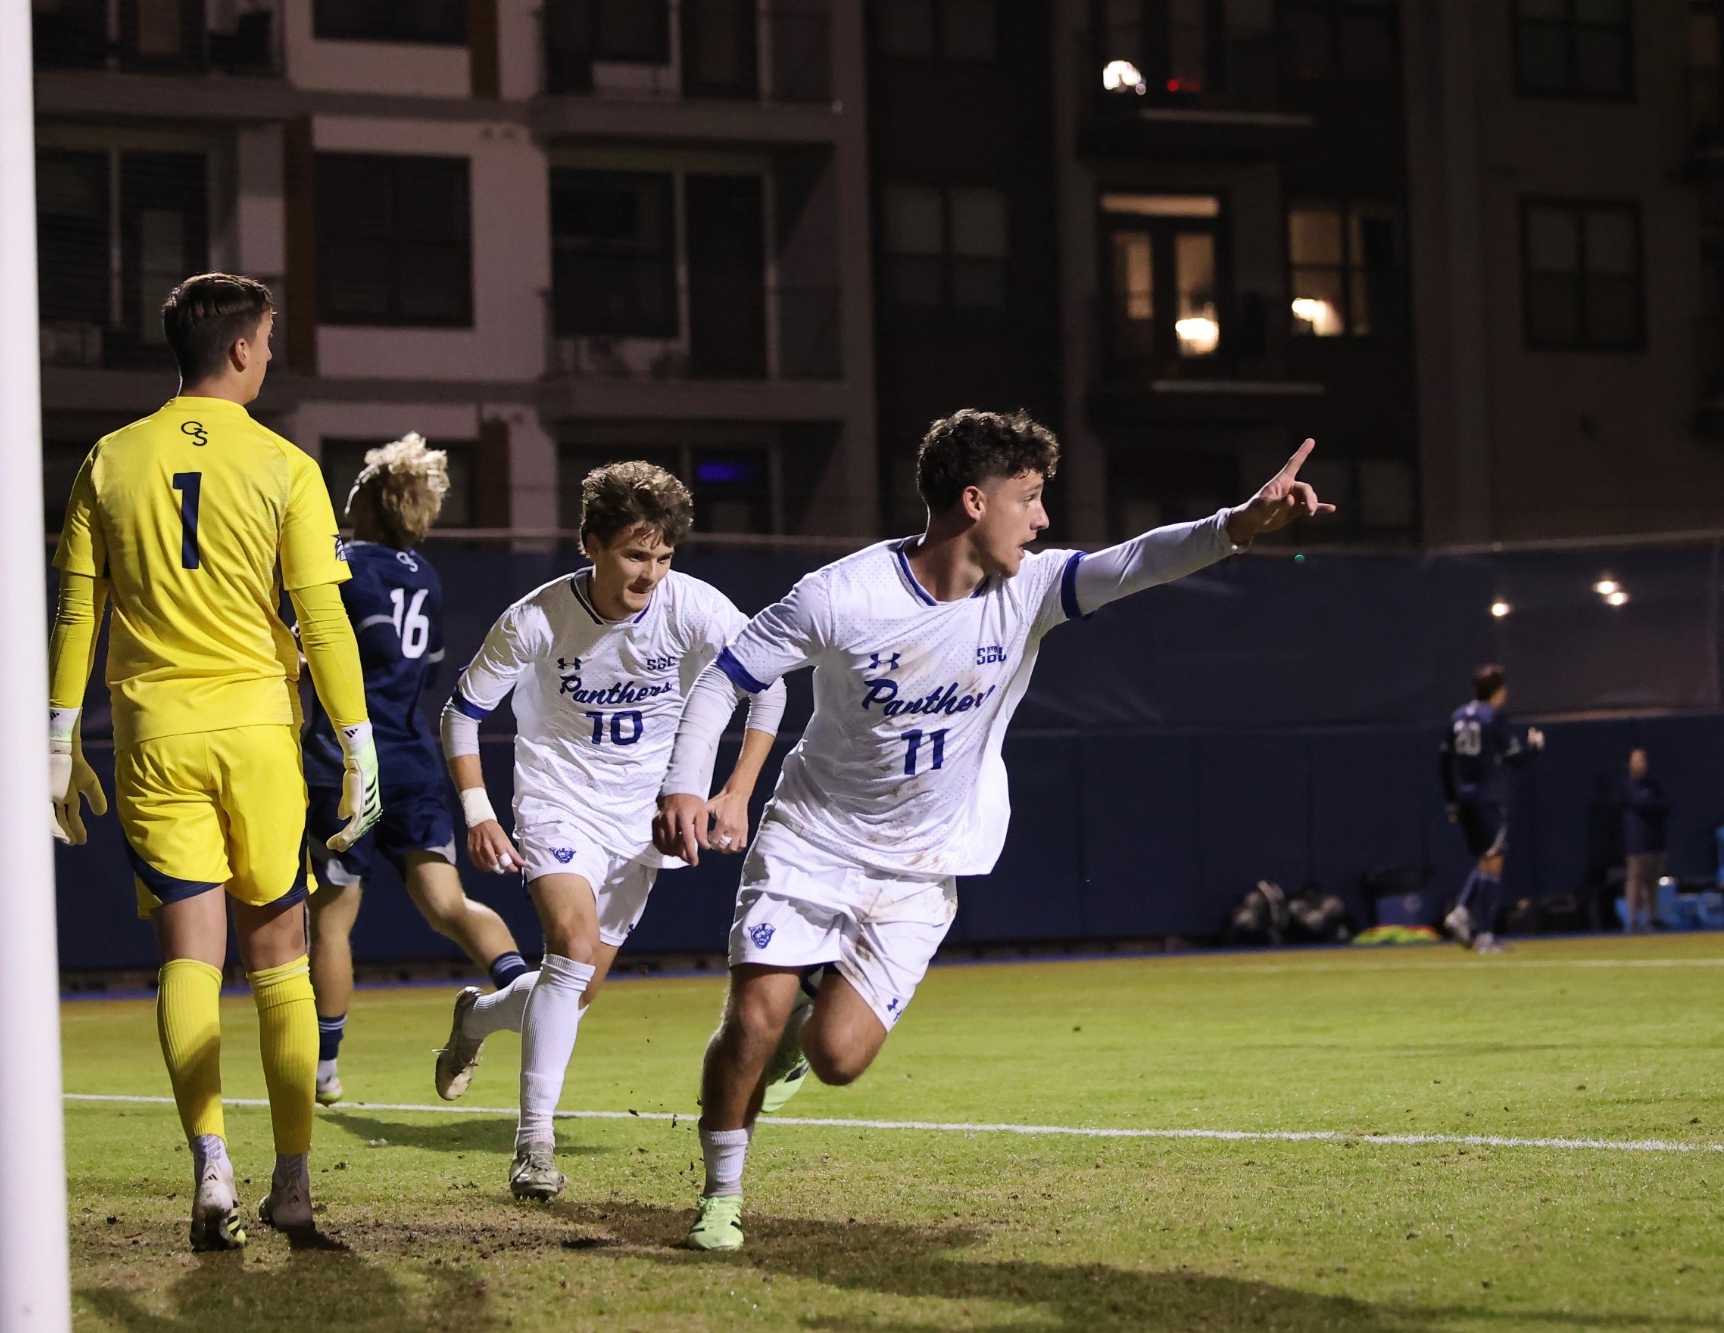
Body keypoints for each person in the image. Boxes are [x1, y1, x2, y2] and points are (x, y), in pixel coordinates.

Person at [654, 410, 1331, 1251]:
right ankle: (721, 1194)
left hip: (925, 864)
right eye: (1032, 497)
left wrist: (1237, 525)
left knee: (836, 1056)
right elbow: (725, 677)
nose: (1044, 518)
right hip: (813, 839)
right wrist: (689, 783)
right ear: (975, 501)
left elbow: (1139, 561)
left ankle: (802, 1035)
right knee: (752, 1019)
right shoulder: (841, 595)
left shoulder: (1032, 588)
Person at [45, 273, 380, 1250]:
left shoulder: (108, 459)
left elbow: (77, 612)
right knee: (278, 961)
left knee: (187, 958)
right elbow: (321, 616)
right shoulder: (284, 464)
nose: (269, 354)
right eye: (269, 339)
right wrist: (357, 743)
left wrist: (55, 740)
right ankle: (294, 1186)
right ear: (241, 348)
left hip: (151, 732)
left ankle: (209, 1168)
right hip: (257, 736)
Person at [432, 461, 786, 1201]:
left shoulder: (693, 606)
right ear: (590, 542)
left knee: (577, 987)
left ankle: (479, 1014)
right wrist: (480, 811)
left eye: (662, 556)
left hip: (643, 821)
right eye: (633, 553)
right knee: (571, 947)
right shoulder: (535, 618)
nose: (649, 572)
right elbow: (460, 714)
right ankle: (534, 1143)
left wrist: (735, 792)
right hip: (557, 800)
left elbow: (770, 686)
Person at [297, 435, 531, 1106]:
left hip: (346, 765)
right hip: (415, 762)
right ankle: (523, 991)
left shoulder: (340, 564)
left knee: (334, 920)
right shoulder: (423, 575)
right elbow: (420, 668)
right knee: (448, 904)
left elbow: (303, 656)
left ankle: (325, 1068)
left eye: (353, 486)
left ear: (369, 502)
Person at [1438, 664, 1544, 954]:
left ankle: (1461, 912)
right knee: (1494, 862)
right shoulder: (1493, 717)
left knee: (1487, 860)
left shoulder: (1458, 716)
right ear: (1498, 690)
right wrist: (1534, 747)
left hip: (1465, 797)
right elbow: (1516, 760)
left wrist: (1450, 801)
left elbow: (1444, 762)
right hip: (1488, 798)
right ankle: (1484, 934)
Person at [1618, 747, 1668, 932]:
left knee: (1652, 882)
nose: (1642, 763)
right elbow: (1641, 804)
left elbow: (1663, 805)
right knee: (1635, 881)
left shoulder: (1653, 785)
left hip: (1655, 840)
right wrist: (1653, 805)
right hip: (1637, 843)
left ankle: (1652, 918)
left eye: (1644, 759)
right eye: (1637, 759)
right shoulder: (1628, 786)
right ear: (1629, 763)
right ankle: (1632, 920)